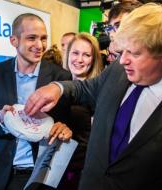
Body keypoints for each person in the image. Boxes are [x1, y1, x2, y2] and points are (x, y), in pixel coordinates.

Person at [24, 3, 162, 190]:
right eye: (123, 52)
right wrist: (58, 88)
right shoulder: (118, 71)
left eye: (135, 53)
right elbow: (86, 89)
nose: (123, 61)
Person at [0, 13, 73, 190]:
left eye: (43, 38)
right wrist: (0, 118)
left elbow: (64, 127)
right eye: (32, 38)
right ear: (14, 40)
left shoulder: (60, 77)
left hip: (39, 176)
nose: (40, 45)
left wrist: (63, 129)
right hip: (0, 175)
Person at [58, 32, 103, 189]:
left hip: (80, 173)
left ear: (94, 59)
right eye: (75, 53)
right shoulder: (57, 86)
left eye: (86, 55)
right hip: (54, 169)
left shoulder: (98, 92)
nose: (79, 60)